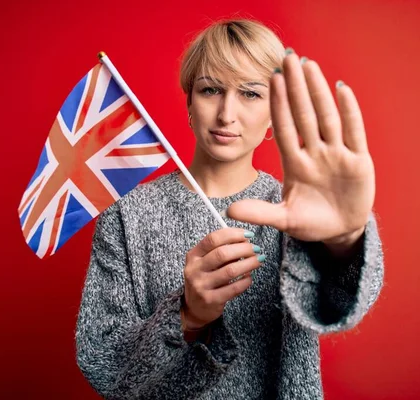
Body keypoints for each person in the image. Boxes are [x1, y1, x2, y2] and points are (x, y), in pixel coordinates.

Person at [75, 18, 384, 400]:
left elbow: (339, 304)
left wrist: (345, 241)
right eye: (211, 90)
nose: (226, 114)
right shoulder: (126, 216)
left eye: (251, 94)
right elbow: (103, 365)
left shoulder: (296, 211)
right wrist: (188, 316)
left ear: (275, 111)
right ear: (189, 100)